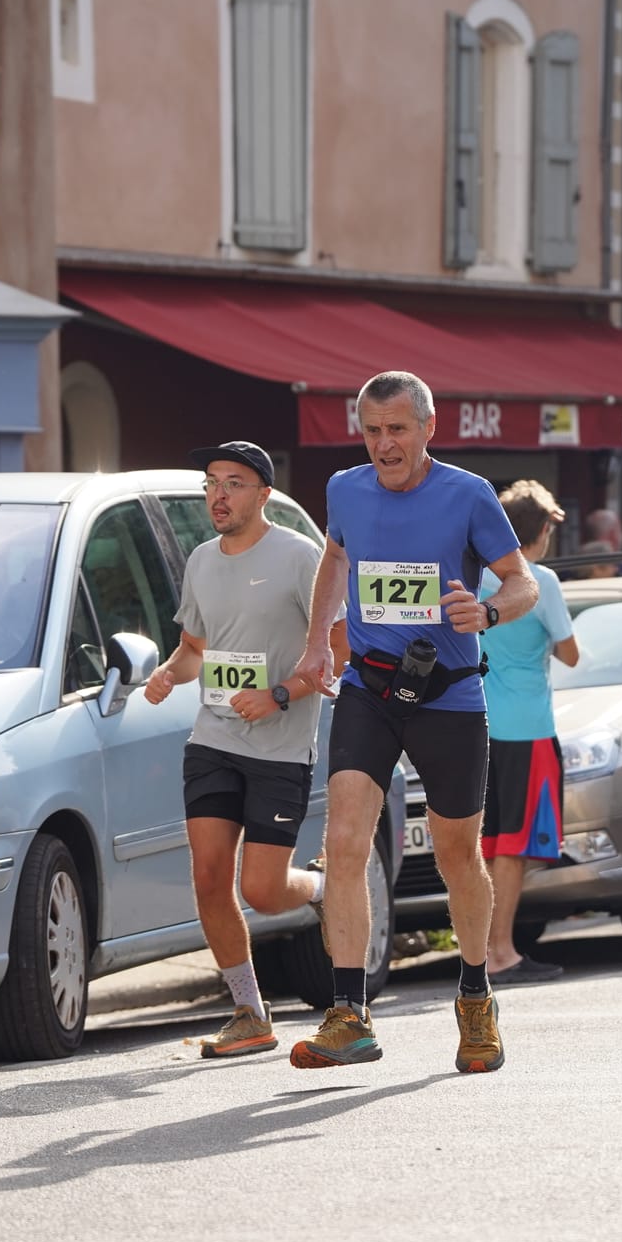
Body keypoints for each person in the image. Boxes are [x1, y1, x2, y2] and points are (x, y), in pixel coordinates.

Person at [294, 370, 538, 1074]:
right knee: (342, 839)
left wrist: (488, 611)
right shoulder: (345, 489)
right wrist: (318, 641)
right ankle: (350, 1012)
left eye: (397, 429)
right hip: (370, 689)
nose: (384, 444)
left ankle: (474, 995)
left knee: (461, 854)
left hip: (449, 694)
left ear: (428, 427)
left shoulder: (468, 494)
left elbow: (520, 580)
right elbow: (335, 557)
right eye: (372, 431)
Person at [144, 441, 335, 1058]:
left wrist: (280, 694)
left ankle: (319, 889)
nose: (218, 495)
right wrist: (169, 673)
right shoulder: (201, 560)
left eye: (233, 482)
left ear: (263, 495)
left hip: (280, 744)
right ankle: (249, 1011)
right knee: (206, 874)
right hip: (214, 737)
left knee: (262, 889)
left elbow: (340, 646)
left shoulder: (299, 556)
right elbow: (195, 646)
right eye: (211, 483)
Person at [479, 481, 580, 983]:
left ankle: (482, 950)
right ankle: (501, 951)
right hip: (527, 727)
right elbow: (571, 653)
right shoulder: (540, 581)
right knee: (513, 847)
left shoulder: (476, 580)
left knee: (486, 843)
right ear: (542, 531)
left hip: (478, 726)